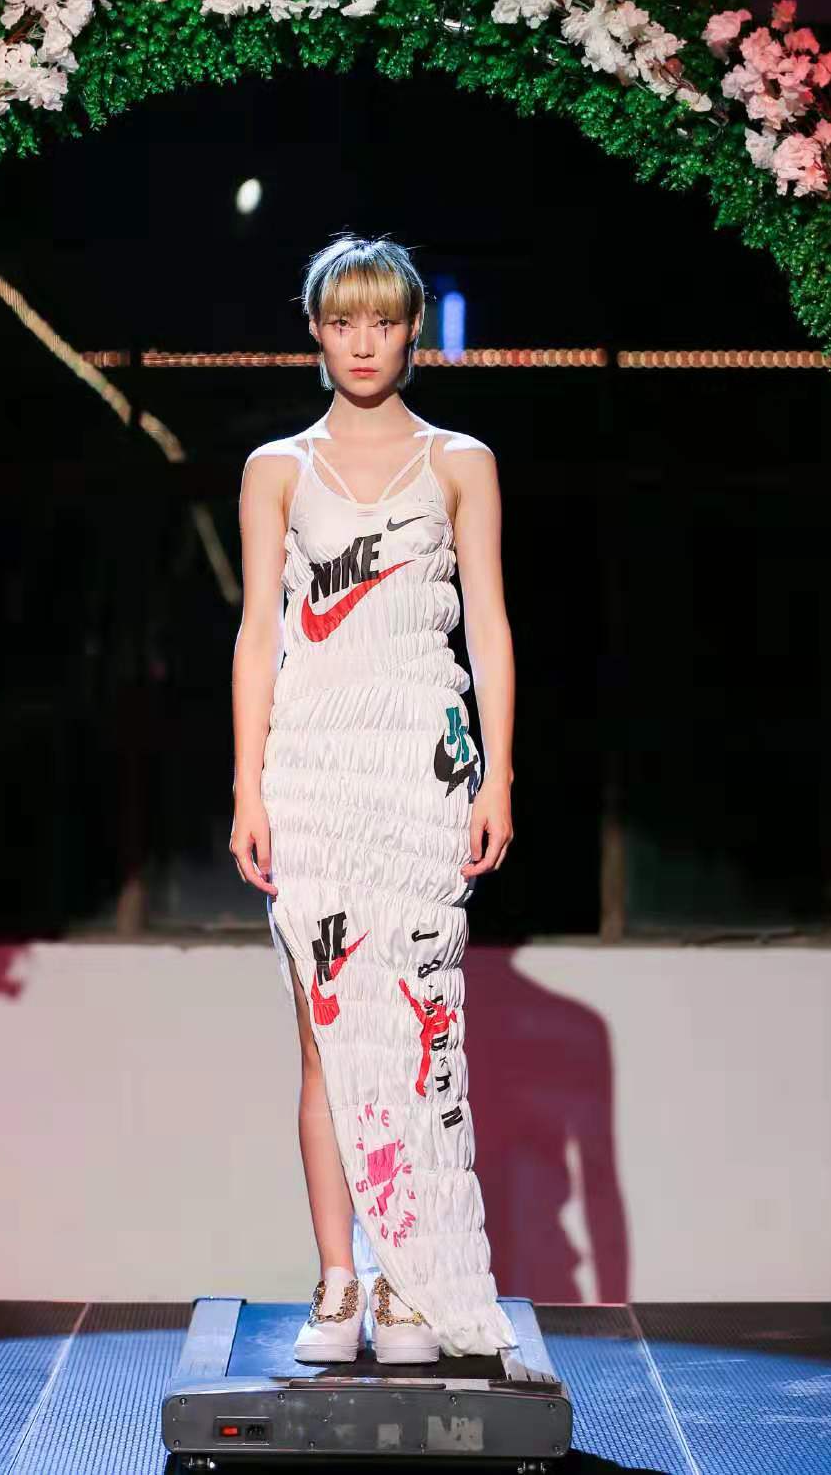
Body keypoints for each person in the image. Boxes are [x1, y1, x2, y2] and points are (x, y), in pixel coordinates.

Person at [230, 232, 518, 1364]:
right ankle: (339, 1281)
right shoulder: (276, 469)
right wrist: (247, 785)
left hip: (420, 768)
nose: (363, 342)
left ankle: (412, 1285)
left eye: (384, 322)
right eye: (343, 321)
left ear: (411, 332)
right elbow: (257, 634)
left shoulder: (461, 461)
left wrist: (499, 772)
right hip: (311, 770)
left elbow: (488, 624)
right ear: (314, 329)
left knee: (417, 1026)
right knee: (325, 1042)